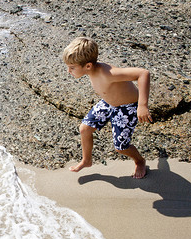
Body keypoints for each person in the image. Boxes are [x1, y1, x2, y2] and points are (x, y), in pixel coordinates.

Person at [63, 37, 152, 178]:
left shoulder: (108, 74)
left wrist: (142, 105)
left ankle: (139, 161)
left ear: (88, 66)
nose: (69, 71)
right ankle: (86, 160)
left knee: (121, 147)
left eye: (72, 67)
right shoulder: (91, 70)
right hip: (108, 103)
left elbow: (143, 73)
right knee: (84, 129)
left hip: (126, 107)